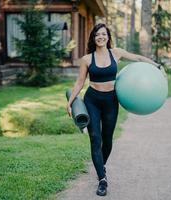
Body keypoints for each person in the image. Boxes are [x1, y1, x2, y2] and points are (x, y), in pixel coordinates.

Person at [66, 23, 160, 196]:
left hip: (110, 101)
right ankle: (102, 179)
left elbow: (138, 58)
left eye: (103, 34)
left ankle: (101, 166)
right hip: (92, 100)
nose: (100, 37)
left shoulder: (116, 53)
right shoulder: (87, 59)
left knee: (107, 140)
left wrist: (156, 66)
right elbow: (80, 82)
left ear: (108, 37)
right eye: (97, 35)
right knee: (95, 138)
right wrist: (70, 102)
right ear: (93, 38)